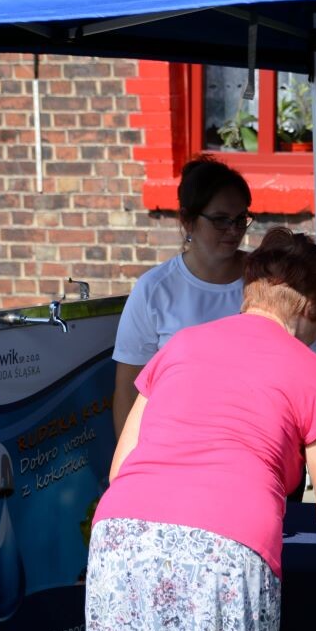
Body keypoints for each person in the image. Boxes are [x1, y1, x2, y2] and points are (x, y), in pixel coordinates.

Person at [86, 229, 316, 631]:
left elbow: (121, 466)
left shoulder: (181, 346)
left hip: (121, 540)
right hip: (221, 550)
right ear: (311, 308)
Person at [111, 155, 252, 438]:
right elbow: (128, 388)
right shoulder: (154, 289)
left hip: (254, 439)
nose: (235, 230)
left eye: (240, 219)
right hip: (174, 443)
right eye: (221, 220)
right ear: (188, 220)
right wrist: (129, 465)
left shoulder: (266, 279)